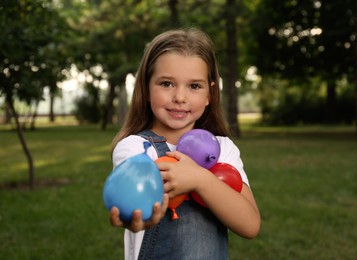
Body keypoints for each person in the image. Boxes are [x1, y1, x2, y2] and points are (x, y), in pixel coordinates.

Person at [109, 28, 261, 260]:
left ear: (209, 94)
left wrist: (200, 179)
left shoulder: (223, 149)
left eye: (194, 86)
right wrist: (138, 217)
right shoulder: (135, 148)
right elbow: (136, 206)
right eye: (167, 83)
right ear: (146, 87)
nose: (180, 97)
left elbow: (250, 226)